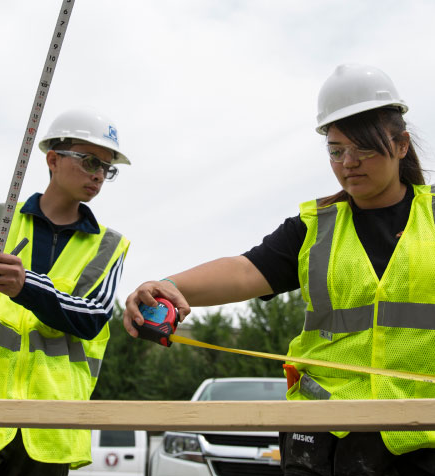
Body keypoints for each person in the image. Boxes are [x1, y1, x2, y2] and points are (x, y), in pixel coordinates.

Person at [123, 64, 435, 475]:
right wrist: (167, 285)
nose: (348, 163)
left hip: (417, 434)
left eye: (364, 149)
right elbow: (244, 270)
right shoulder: (315, 227)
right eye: (336, 151)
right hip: (321, 431)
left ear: (400, 145)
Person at [0, 109, 130, 475]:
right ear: (53, 159)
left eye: (107, 168)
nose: (99, 174)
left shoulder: (109, 247)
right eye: (90, 162)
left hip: (50, 429)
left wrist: (27, 287)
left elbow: (93, 317)